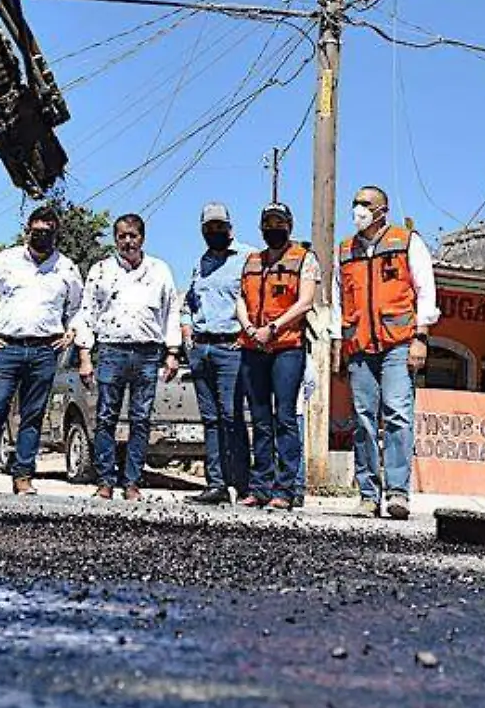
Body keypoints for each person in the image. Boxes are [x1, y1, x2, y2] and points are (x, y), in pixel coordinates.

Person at [0, 207, 84, 495]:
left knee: (33, 414)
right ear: (27, 230)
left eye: (48, 231)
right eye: (37, 230)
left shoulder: (66, 268)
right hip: (6, 347)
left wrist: (71, 331)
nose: (41, 235)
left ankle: (23, 476)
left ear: (56, 234)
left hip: (45, 350)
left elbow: (79, 305)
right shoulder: (5, 261)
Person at [339, 186, 440, 521]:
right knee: (363, 419)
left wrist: (421, 337)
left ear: (382, 210)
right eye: (355, 204)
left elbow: (426, 290)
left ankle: (398, 493)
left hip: (399, 342)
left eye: (365, 204)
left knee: (397, 415)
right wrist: (340, 343)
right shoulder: (345, 250)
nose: (357, 209)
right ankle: (368, 496)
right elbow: (342, 301)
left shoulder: (407, 241)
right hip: (360, 347)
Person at [74, 214, 182, 501]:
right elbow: (87, 314)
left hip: (148, 353)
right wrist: (85, 356)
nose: (127, 241)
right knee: (106, 417)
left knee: (141, 419)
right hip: (111, 350)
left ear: (142, 238)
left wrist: (173, 352)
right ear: (115, 240)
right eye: (121, 236)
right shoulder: (101, 270)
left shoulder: (159, 270)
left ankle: (132, 482)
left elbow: (171, 311)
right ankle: (106, 481)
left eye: (132, 235)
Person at [236, 203, 321, 511]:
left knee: (284, 417)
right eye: (268, 223)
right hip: (253, 346)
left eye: (279, 222)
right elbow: (241, 300)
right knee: (259, 419)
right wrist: (249, 328)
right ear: (261, 227)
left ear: (289, 225)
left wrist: (272, 328)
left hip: (286, 345)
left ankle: (285, 489)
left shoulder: (304, 259)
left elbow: (305, 302)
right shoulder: (251, 261)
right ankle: (259, 487)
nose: (274, 228)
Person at [180, 202, 253, 506]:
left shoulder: (248, 258)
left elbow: (255, 300)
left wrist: (246, 333)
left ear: (230, 228)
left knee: (232, 417)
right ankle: (216, 484)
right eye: (209, 228)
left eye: (219, 227)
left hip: (230, 348)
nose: (214, 232)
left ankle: (244, 484)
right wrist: (186, 330)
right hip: (202, 348)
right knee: (210, 420)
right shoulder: (201, 263)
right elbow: (189, 302)